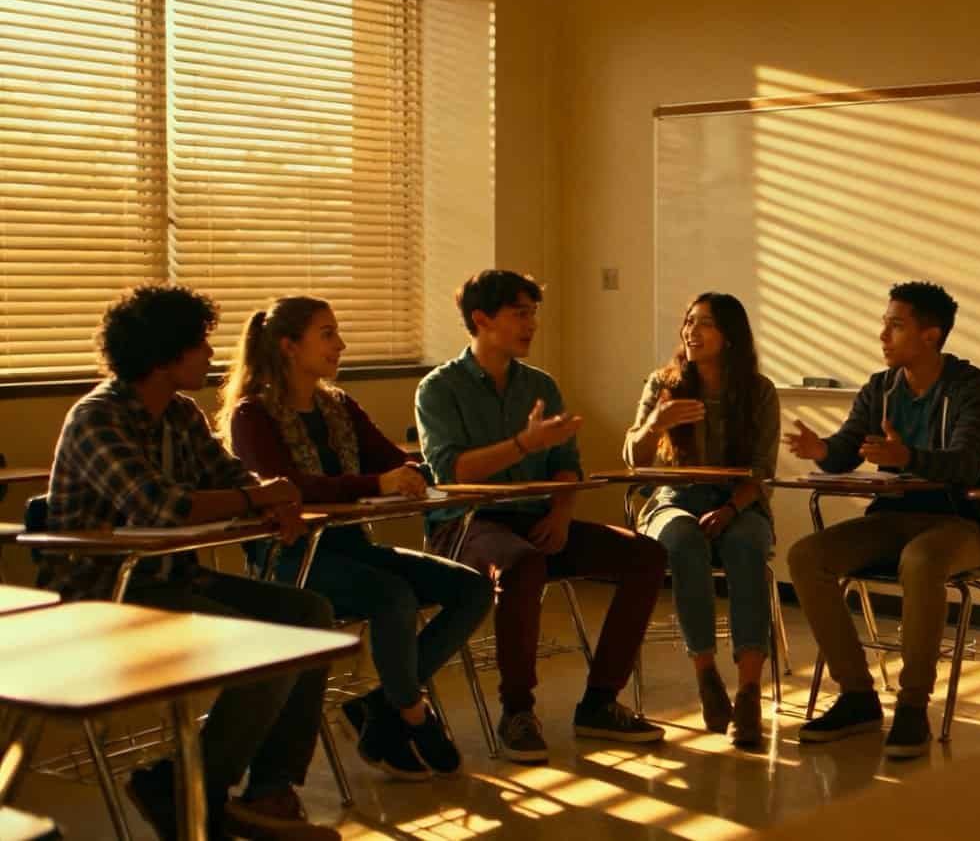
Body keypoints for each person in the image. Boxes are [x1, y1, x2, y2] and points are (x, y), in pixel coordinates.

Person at [41, 284, 338, 840]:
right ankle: (190, 790)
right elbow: (161, 507)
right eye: (199, 345)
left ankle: (267, 792)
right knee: (266, 644)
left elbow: (228, 478)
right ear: (165, 353)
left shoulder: (180, 413)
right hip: (108, 598)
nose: (210, 356)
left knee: (310, 615)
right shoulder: (96, 419)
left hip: (173, 577)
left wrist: (268, 495)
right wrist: (262, 496)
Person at [219, 296, 495, 780]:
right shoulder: (252, 416)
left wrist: (418, 472)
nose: (340, 344)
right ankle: (410, 712)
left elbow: (390, 461)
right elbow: (288, 487)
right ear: (288, 346)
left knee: (470, 587)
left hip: (350, 548)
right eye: (327, 334)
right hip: (290, 559)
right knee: (393, 596)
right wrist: (378, 483)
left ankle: (382, 705)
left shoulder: (339, 406)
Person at [415, 269, 667, 764]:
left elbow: (567, 464)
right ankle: (518, 712)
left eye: (534, 313)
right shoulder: (438, 388)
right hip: (467, 524)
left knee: (646, 554)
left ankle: (599, 702)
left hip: (539, 518)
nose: (532, 325)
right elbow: (451, 473)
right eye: (520, 314)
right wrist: (522, 444)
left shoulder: (541, 385)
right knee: (522, 564)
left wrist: (563, 511)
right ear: (481, 320)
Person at [784, 281, 980, 759]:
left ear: (931, 335)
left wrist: (909, 455)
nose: (882, 334)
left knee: (921, 560)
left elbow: (967, 463)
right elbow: (845, 449)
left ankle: (912, 706)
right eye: (884, 323)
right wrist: (822, 450)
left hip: (960, 523)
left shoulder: (972, 389)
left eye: (895, 325)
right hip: (893, 516)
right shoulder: (880, 388)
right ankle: (858, 695)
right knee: (806, 556)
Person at [623, 292, 780, 748]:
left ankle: (749, 691)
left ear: (729, 336)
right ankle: (707, 676)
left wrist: (731, 508)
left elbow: (762, 472)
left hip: (740, 502)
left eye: (705, 323)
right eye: (689, 321)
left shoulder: (759, 391)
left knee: (746, 545)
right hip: (674, 498)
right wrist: (655, 422)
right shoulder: (663, 383)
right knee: (684, 539)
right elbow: (635, 461)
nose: (692, 330)